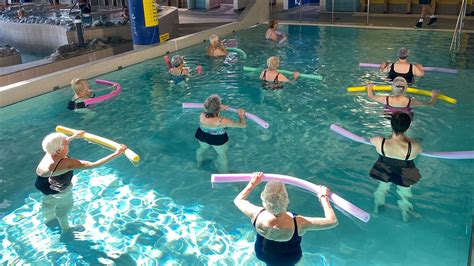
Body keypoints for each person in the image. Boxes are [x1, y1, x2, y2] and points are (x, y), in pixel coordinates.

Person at [234, 172, 338, 265]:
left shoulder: (255, 213)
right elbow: (332, 221)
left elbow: (238, 200)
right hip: (289, 259)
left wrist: (252, 184)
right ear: (287, 199)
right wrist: (323, 197)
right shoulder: (299, 223)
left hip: (262, 254)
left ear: (262, 199)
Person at [35, 131, 127, 231]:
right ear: (59, 149)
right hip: (58, 189)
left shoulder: (49, 152)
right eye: (67, 144)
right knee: (64, 207)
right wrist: (117, 153)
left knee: (48, 201)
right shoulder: (66, 163)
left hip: (42, 184)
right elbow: (94, 164)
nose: (68, 144)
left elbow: (56, 145)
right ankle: (66, 229)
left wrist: (73, 137)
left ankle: (49, 220)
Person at [369, 112, 423, 222]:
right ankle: (405, 214)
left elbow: (370, 140)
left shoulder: (380, 141)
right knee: (405, 194)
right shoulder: (413, 146)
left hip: (384, 168)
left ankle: (377, 207)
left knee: (382, 188)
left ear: (391, 125)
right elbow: (420, 151)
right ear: (407, 127)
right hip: (405, 172)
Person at [195, 94, 246, 173]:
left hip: (202, 135)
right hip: (217, 139)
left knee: (202, 148)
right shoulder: (223, 121)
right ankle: (224, 173)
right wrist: (241, 115)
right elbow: (242, 125)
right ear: (218, 108)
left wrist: (219, 109)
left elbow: (211, 113)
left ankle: (199, 163)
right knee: (222, 155)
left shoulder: (202, 115)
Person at [367, 76, 440, 117]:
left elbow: (371, 96)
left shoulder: (386, 99)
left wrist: (369, 87)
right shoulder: (410, 101)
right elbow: (430, 104)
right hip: (405, 119)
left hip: (388, 117)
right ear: (406, 89)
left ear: (392, 88)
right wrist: (434, 96)